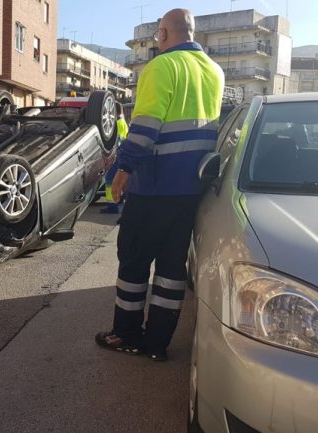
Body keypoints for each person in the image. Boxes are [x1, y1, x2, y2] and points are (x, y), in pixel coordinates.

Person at [95, 8, 224, 361]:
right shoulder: (215, 71)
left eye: (157, 36)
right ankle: (157, 344)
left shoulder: (162, 67)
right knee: (171, 269)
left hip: (152, 187)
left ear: (164, 34)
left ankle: (126, 335)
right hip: (189, 192)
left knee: (134, 262)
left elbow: (146, 126)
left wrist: (122, 172)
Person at [100, 102, 129, 214]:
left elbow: (115, 142)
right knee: (122, 181)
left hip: (115, 156)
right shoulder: (123, 123)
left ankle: (112, 206)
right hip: (121, 155)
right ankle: (121, 200)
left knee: (109, 180)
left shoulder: (117, 123)